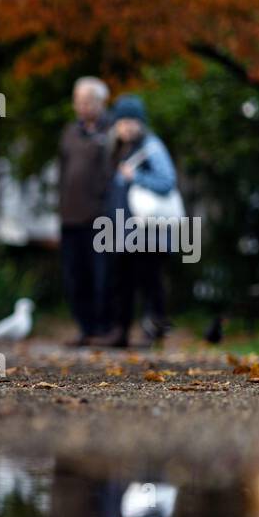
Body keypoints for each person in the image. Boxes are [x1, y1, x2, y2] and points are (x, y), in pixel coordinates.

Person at [92, 94, 178, 348]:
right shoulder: (117, 149)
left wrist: (136, 177)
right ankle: (120, 333)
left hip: (148, 232)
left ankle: (153, 333)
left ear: (141, 123)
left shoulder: (152, 147)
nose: (127, 126)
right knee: (122, 282)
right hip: (122, 231)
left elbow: (167, 181)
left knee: (150, 283)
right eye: (122, 121)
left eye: (132, 121)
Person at [58, 77, 112, 346]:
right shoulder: (69, 131)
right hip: (70, 216)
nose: (81, 107)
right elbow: (62, 170)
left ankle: (104, 329)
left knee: (101, 275)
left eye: (87, 101)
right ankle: (85, 327)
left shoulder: (113, 130)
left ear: (101, 103)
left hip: (101, 218)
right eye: (78, 101)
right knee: (74, 275)